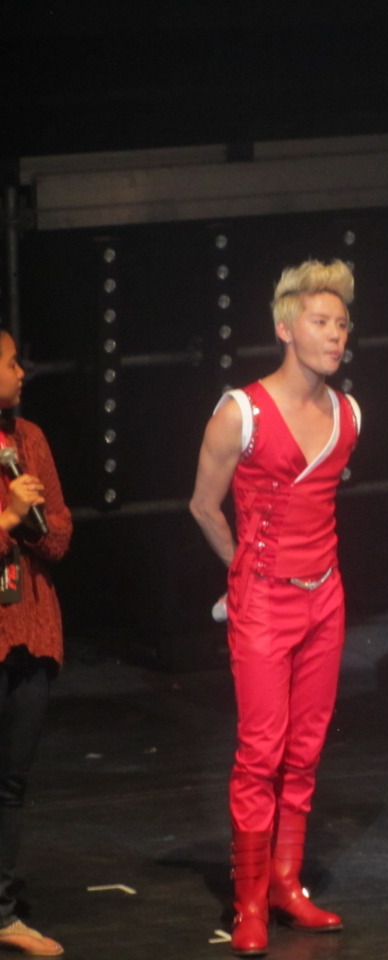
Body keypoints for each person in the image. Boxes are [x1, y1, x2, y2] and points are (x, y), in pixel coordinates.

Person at [190, 260, 360, 955]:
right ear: (285, 328)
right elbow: (203, 505)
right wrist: (245, 573)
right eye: (321, 322)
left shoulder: (349, 414)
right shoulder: (242, 411)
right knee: (261, 751)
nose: (336, 334)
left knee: (305, 748)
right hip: (264, 599)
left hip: (326, 597)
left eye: (342, 323)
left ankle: (288, 885)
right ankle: (250, 901)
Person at [0, 330, 69, 958]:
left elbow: (60, 536)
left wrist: (33, 524)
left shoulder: (30, 441)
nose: (22, 371)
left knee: (12, 781)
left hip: (29, 630)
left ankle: (2, 911)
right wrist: (8, 520)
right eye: (11, 362)